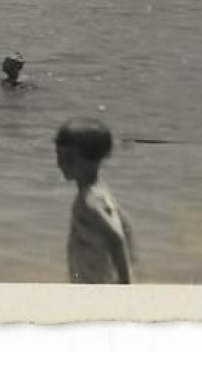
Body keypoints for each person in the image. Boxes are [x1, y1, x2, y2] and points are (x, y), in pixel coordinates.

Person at [55, 118, 134, 284]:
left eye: (69, 158)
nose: (61, 164)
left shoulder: (89, 201)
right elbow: (126, 228)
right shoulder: (100, 191)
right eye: (59, 156)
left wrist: (127, 286)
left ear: (92, 161)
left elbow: (116, 239)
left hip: (93, 284)